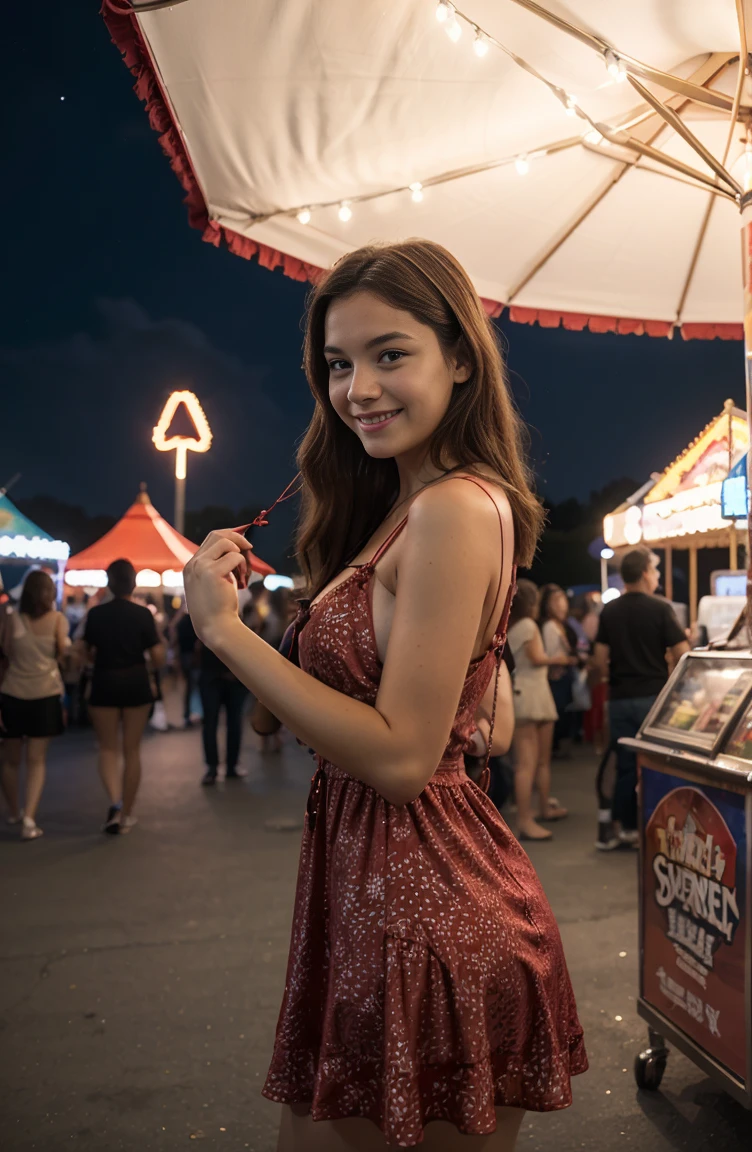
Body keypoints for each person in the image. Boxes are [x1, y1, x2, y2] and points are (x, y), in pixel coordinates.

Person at [184, 239, 587, 1151]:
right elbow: (460, 719)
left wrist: (224, 633)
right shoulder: (407, 509)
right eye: (337, 364)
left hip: (428, 917)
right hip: (376, 904)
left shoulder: (451, 508)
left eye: (389, 354)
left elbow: (404, 759)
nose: (358, 387)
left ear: (457, 357)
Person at [593, 547, 689, 849]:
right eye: (655, 570)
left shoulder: (610, 611)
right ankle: (657, 825)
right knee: (656, 763)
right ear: (646, 572)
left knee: (624, 764)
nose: (657, 576)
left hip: (620, 697)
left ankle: (628, 829)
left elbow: (599, 659)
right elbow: (683, 653)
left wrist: (613, 676)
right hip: (654, 699)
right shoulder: (660, 609)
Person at [82, 559, 165, 834]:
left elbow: (85, 652)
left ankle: (115, 803)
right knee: (132, 750)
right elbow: (157, 657)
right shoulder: (143, 615)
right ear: (133, 582)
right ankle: (127, 814)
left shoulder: (96, 614)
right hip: (135, 681)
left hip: (105, 680)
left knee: (107, 748)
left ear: (109, 582)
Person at [0, 570, 69, 840]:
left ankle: (14, 810)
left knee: (10, 760)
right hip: (46, 693)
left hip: (12, 693)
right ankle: (29, 818)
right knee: (36, 760)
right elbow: (62, 654)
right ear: (49, 593)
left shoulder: (11, 618)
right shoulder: (57, 620)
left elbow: (4, 655)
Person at [507, 579, 571, 841]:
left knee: (533, 761)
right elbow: (536, 658)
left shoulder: (512, 626)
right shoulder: (528, 626)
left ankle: (539, 809)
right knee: (530, 763)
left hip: (527, 695)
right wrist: (559, 659)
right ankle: (526, 819)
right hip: (533, 696)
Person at [198, 629, 250, 786]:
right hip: (219, 677)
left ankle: (221, 767)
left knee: (218, 723)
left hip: (215, 677)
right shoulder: (235, 620)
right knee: (222, 723)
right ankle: (221, 767)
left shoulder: (208, 620)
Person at [539, 583, 578, 757]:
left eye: (562, 600)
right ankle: (554, 747)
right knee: (559, 712)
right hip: (556, 676)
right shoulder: (549, 626)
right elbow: (548, 654)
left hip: (563, 675)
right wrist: (566, 659)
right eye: (557, 601)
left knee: (564, 712)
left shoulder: (562, 625)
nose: (561, 604)